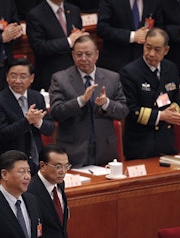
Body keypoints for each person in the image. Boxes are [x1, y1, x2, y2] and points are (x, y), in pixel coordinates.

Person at [49, 35, 129, 167]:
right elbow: (56, 112)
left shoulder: (112, 78)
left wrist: (106, 103)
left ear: (96, 55)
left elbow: (123, 111)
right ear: (73, 55)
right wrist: (80, 101)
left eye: (88, 54)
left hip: (105, 150)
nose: (83, 59)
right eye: (79, 54)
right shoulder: (60, 79)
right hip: (72, 150)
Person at [120, 28, 180, 160]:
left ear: (166, 50)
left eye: (157, 49)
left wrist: (173, 110)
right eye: (148, 47)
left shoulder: (171, 68)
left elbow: (177, 99)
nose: (151, 53)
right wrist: (162, 116)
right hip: (141, 143)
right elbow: (131, 110)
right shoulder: (130, 72)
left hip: (166, 140)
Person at [0, 58, 55, 175]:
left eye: (23, 76)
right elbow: (3, 133)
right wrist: (27, 120)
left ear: (32, 78)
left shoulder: (37, 97)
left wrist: (38, 123)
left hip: (36, 160)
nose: (18, 81)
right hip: (11, 164)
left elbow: (50, 128)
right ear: (7, 77)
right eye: (13, 76)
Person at [26, 0, 88, 91]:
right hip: (51, 76)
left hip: (76, 72)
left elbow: (78, 37)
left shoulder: (74, 10)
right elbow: (39, 47)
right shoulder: (35, 14)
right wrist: (69, 41)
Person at [28, 144, 71, 238]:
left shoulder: (60, 184)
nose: (63, 172)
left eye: (66, 166)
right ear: (42, 166)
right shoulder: (30, 192)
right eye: (58, 167)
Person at [96, 0, 163, 72]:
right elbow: (102, 29)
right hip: (115, 62)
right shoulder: (110, 1)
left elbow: (159, 28)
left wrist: (148, 35)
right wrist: (132, 36)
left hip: (144, 62)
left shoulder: (154, 2)